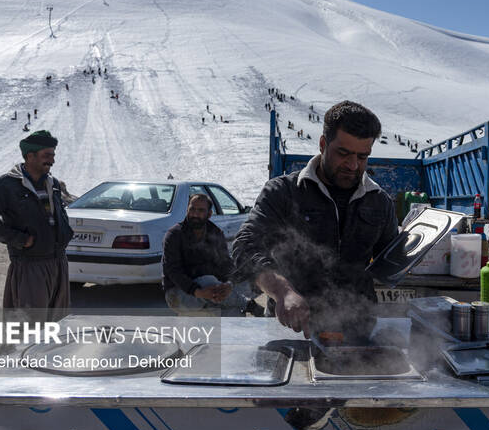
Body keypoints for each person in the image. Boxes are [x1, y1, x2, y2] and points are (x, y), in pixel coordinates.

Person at [233, 101, 399, 339]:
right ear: (323, 144)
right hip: (291, 330)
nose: (353, 165)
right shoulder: (282, 192)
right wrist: (283, 291)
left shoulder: (379, 202)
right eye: (343, 153)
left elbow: (389, 263)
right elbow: (244, 246)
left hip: (357, 332)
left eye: (362, 156)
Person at [0, 131, 73, 319]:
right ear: (30, 156)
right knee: (29, 325)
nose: (52, 160)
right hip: (30, 265)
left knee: (58, 323)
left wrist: (65, 233)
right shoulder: (6, 185)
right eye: (47, 155)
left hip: (58, 261)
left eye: (53, 155)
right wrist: (19, 239)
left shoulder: (52, 183)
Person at [163, 194, 261, 316]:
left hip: (211, 293)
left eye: (200, 210)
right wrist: (198, 292)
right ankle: (247, 304)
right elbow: (174, 272)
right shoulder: (174, 235)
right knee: (208, 280)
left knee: (234, 312)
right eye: (192, 209)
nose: (195, 214)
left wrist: (228, 286)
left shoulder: (215, 233)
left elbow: (225, 265)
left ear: (209, 214)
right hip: (179, 294)